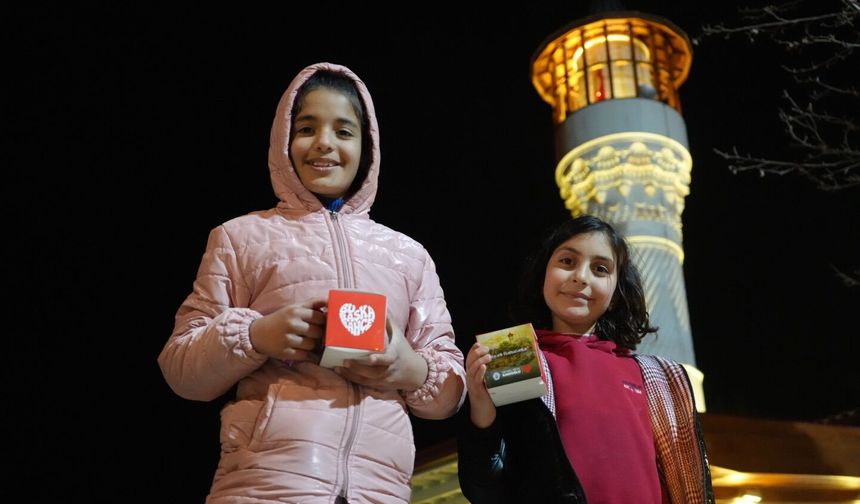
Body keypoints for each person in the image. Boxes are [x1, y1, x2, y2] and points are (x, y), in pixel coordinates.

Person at [158, 62, 466, 504]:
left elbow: (449, 393)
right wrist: (255, 335)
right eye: (307, 128)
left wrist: (409, 367)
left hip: (379, 493)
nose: (324, 143)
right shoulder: (239, 237)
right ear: (284, 139)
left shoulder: (409, 256)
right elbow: (181, 370)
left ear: (367, 147)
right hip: (265, 486)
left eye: (344, 131)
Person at [457, 215, 713, 503]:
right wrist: (480, 405)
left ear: (616, 294)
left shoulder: (655, 377)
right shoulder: (514, 357)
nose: (580, 276)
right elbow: (485, 487)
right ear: (544, 275)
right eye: (567, 262)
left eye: (600, 268)